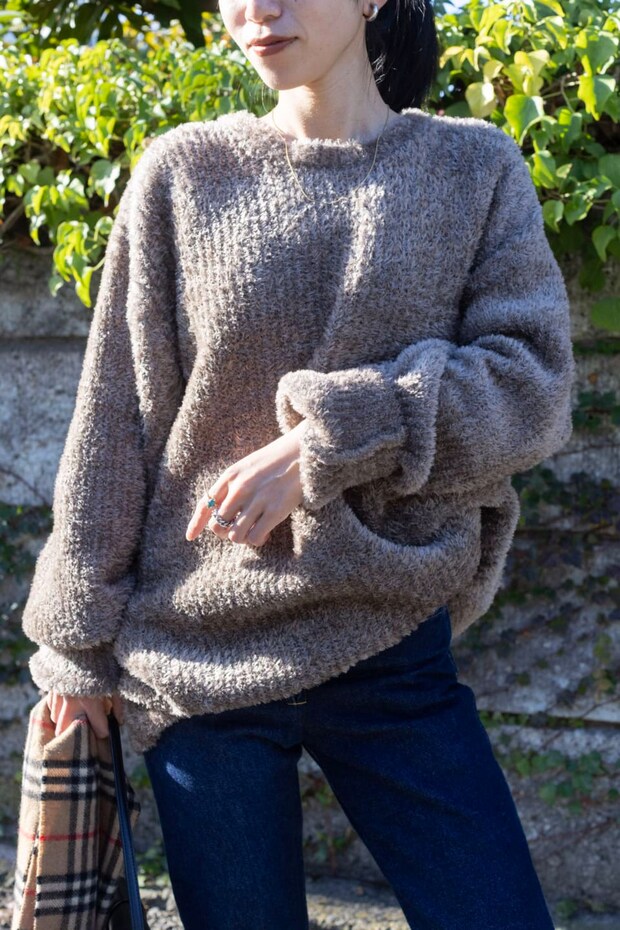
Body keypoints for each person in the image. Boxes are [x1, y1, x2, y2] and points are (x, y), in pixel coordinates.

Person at [23, 0, 576, 927]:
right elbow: (115, 425)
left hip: (389, 641)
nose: (257, 11)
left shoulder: (472, 168)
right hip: (199, 660)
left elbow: (533, 386)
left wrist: (329, 439)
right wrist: (73, 656)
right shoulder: (183, 174)